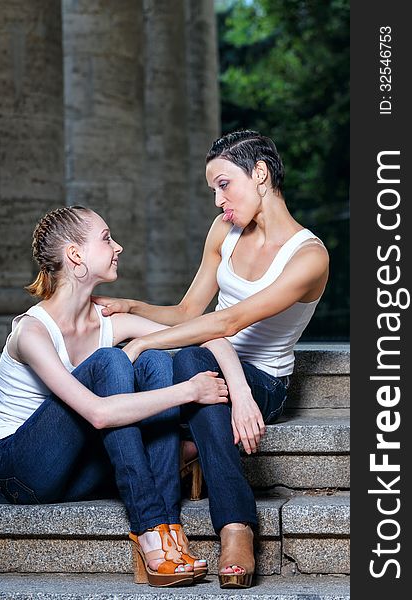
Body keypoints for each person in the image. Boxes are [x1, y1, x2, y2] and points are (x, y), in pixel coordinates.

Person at [93, 130, 330, 589]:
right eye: (213, 190)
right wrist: (134, 307)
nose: (218, 200)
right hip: (208, 366)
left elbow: (229, 322)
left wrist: (143, 342)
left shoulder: (309, 257)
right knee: (189, 363)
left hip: (263, 382)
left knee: (185, 361)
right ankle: (199, 458)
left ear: (260, 174)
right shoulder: (225, 229)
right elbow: (187, 312)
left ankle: (234, 525)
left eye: (224, 184)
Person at [0, 205, 246, 588]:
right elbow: (99, 414)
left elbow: (207, 334)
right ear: (75, 255)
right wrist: (190, 390)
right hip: (20, 469)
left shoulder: (108, 321)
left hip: (76, 466)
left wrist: (239, 392)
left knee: (153, 357)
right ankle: (150, 527)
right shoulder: (32, 332)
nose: (118, 246)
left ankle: (168, 530)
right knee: (110, 362)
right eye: (106, 238)